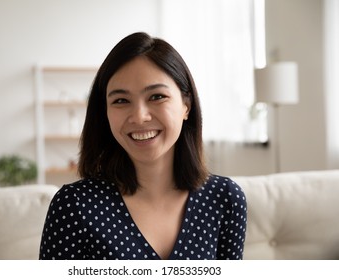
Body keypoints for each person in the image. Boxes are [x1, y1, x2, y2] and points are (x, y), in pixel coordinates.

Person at [39, 32, 247, 260]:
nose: (139, 117)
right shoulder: (74, 206)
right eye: (121, 101)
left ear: (186, 105)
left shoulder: (225, 199)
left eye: (157, 97)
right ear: (105, 113)